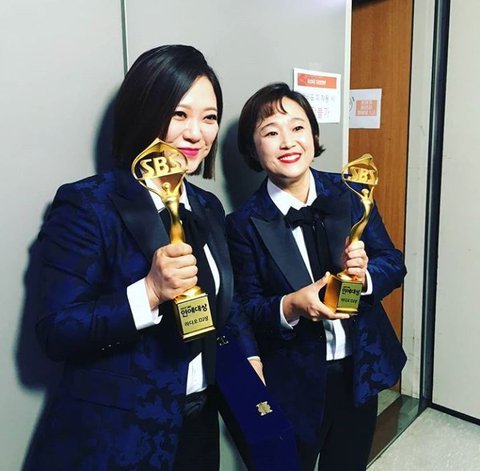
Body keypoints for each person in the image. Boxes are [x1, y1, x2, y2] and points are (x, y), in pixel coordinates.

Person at [28, 45, 256, 471]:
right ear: (145, 112)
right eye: (179, 114)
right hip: (117, 435)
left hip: (200, 422)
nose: (197, 133)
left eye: (209, 117)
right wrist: (149, 292)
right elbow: (55, 331)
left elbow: (228, 300)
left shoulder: (207, 206)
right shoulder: (88, 203)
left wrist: (250, 355)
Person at [226, 82, 407, 471]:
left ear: (314, 135)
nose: (288, 141)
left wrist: (365, 277)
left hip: (359, 372)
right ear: (253, 149)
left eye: (298, 127)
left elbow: (393, 261)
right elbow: (245, 308)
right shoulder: (242, 223)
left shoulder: (351, 192)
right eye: (271, 132)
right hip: (293, 382)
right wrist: (290, 305)